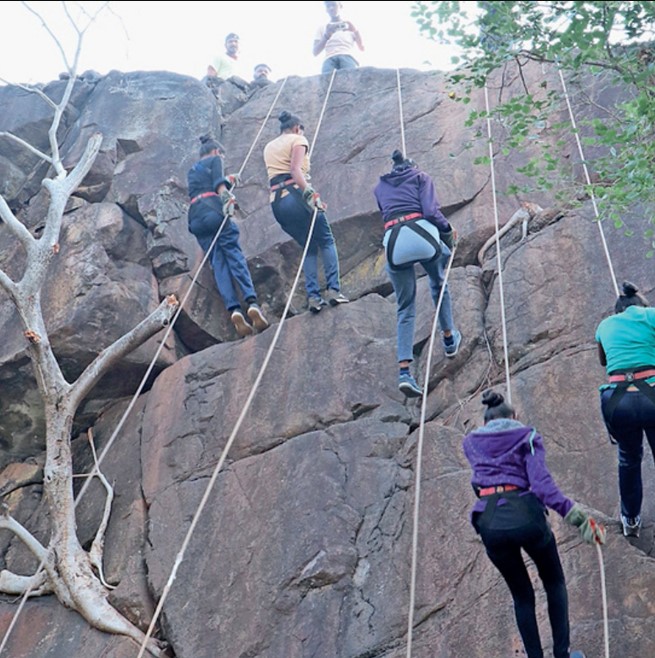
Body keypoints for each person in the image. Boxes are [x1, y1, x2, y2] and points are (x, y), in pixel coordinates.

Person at [463, 389, 605, 658]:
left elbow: (477, 482)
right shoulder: (527, 436)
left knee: (522, 595)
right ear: (515, 416)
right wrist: (578, 517)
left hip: (490, 521)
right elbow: (543, 487)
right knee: (554, 582)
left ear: (484, 423)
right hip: (526, 516)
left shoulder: (471, 443)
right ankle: (562, 654)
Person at [373, 149, 461, 398]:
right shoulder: (421, 177)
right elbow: (431, 212)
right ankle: (449, 338)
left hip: (393, 243)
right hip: (420, 234)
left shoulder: (379, 187)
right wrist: (448, 232)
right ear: (413, 166)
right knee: (438, 281)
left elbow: (387, 214)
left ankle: (404, 372)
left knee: (405, 307)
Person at [263, 110, 349, 313]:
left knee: (309, 247)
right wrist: (311, 194)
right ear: (296, 128)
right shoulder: (298, 140)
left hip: (277, 203)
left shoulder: (269, 146)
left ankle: (313, 297)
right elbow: (295, 170)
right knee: (326, 240)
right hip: (296, 197)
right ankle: (334, 291)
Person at [187, 135, 269, 338]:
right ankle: (251, 303)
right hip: (215, 213)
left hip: (196, 218)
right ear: (216, 152)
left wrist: (227, 181)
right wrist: (227, 198)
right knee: (234, 256)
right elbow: (217, 185)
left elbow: (206, 186)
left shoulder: (192, 170)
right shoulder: (216, 160)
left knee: (218, 263)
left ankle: (233, 309)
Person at [595, 280, 655, 538]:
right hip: (651, 392)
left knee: (628, 459)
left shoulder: (605, 325)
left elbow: (604, 361)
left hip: (618, 399)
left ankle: (631, 519)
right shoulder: (650, 315)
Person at [313, 1, 364, 75]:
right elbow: (315, 52)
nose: (331, 8)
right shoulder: (322, 28)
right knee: (327, 83)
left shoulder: (349, 25)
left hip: (348, 57)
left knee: (351, 81)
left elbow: (361, 48)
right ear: (326, 10)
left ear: (340, 6)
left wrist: (355, 31)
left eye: (334, 5)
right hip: (329, 59)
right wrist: (326, 35)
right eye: (328, 6)